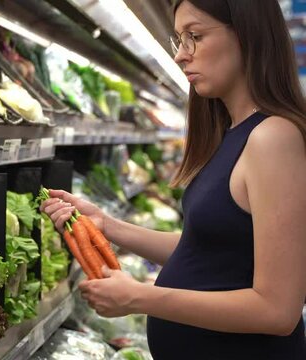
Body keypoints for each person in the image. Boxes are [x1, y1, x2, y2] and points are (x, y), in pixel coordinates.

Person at [41, 0, 306, 359]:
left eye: (194, 36)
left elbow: (278, 311)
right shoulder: (233, 133)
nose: (182, 55)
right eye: (179, 40)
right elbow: (210, 249)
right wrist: (107, 225)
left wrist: (139, 297)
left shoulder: (273, 137)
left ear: (247, 36)